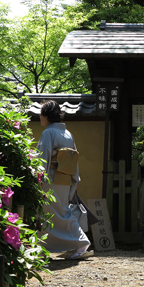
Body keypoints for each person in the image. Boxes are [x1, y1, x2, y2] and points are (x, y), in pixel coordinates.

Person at [37, 100, 94, 259]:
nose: (40, 117)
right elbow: (73, 157)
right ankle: (42, 247)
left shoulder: (48, 133)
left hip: (51, 179)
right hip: (65, 179)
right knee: (57, 211)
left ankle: (81, 242)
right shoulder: (67, 133)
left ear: (47, 116)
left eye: (41, 114)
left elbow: (43, 157)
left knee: (56, 212)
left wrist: (38, 177)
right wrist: (75, 179)